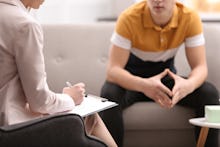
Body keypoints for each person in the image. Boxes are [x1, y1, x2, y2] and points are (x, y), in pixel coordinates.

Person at [100, 0, 220, 147]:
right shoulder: (129, 17)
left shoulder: (189, 18)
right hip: (133, 82)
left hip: (165, 79)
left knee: (209, 92)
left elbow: (200, 67)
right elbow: (113, 71)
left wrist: (188, 85)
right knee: (109, 93)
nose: (157, 0)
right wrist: (144, 85)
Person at [0, 0, 117, 146]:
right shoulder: (25, 25)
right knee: (90, 116)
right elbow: (39, 102)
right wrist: (70, 98)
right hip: (12, 130)